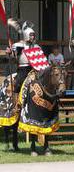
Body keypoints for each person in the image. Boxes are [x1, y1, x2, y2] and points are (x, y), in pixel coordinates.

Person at [6, 19, 46, 151]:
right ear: (26, 35)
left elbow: (42, 61)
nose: (33, 37)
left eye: (34, 35)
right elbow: (12, 56)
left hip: (35, 71)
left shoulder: (37, 47)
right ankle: (16, 104)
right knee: (18, 85)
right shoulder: (18, 45)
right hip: (23, 70)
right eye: (31, 35)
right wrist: (9, 52)